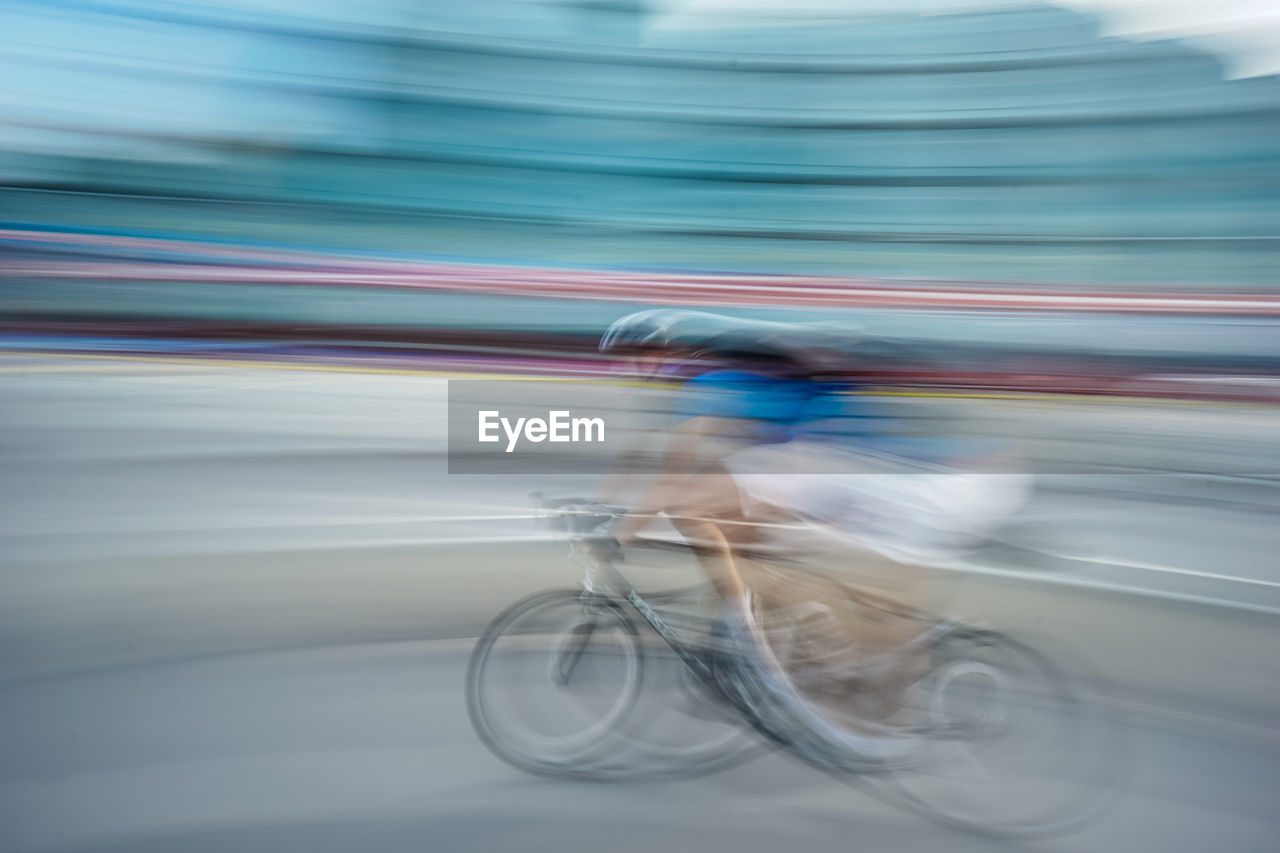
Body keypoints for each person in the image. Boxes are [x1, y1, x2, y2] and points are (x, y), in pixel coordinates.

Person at [596, 309, 1030, 741]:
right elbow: (640, 455)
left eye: (639, 354)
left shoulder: (703, 384)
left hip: (827, 459)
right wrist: (601, 505)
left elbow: (670, 477)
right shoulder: (697, 385)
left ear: (668, 350)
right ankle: (756, 629)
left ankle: (756, 628)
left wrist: (620, 534)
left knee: (692, 510)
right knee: (722, 524)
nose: (630, 366)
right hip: (817, 460)